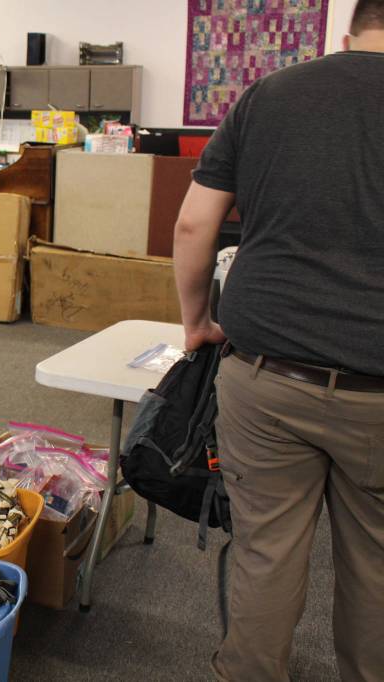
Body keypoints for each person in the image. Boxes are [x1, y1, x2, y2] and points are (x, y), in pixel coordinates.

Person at [173, 2, 384, 679]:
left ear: (347, 34)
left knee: (268, 552)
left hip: (266, 371)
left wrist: (196, 320)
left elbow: (192, 227)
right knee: (376, 563)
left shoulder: (271, 94)